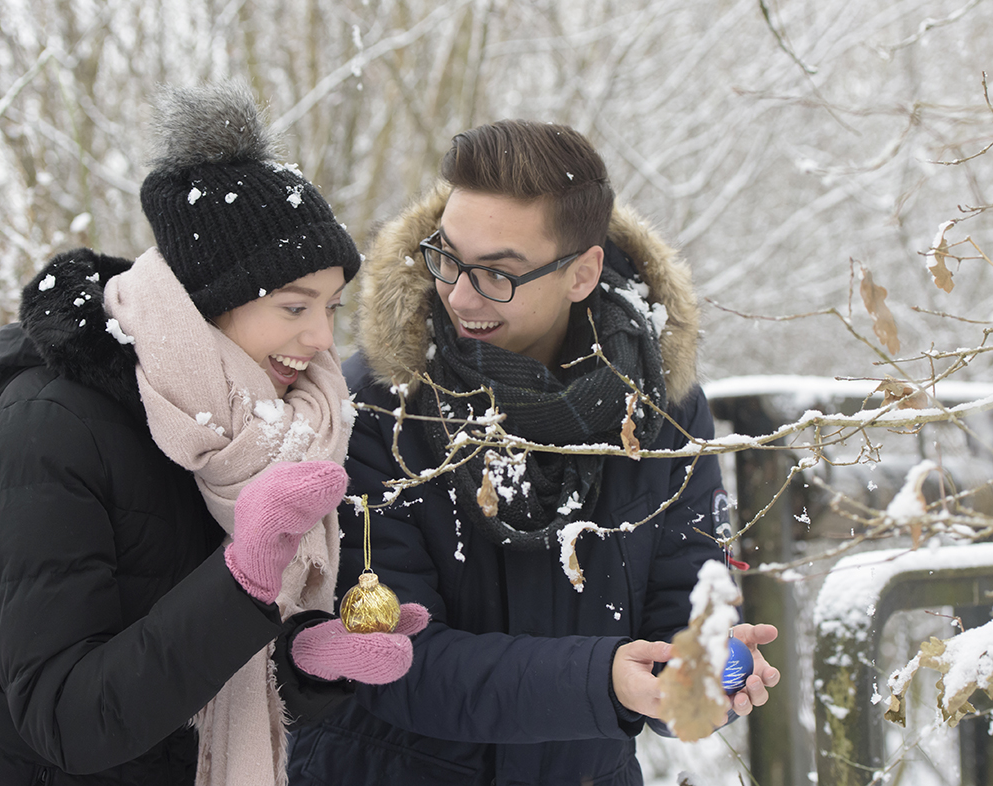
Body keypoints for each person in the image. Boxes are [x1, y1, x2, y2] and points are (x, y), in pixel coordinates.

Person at [0, 81, 426, 786]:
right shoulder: (40, 438)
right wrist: (243, 581)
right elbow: (71, 721)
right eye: (295, 306)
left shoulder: (242, 434)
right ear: (211, 302)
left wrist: (301, 662)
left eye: (331, 306)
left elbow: (197, 667)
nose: (323, 338)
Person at [286, 119, 781, 785]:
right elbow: (391, 661)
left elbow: (685, 602)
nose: (459, 295)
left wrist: (707, 671)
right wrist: (600, 680)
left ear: (582, 273)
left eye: (497, 273)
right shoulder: (373, 409)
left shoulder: (664, 408)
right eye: (449, 257)